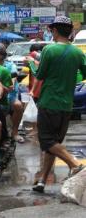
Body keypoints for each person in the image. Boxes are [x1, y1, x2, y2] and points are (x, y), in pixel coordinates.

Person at [32, 16, 86, 193]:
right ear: (70, 31)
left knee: (47, 142)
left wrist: (32, 65)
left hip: (49, 102)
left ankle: (74, 164)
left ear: (54, 31)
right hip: (66, 105)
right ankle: (42, 182)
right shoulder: (78, 53)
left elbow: (40, 74)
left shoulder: (49, 50)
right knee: (54, 144)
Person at [0, 43, 25, 144]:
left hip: (8, 96)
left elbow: (12, 83)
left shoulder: (10, 66)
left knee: (18, 105)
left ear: (3, 55)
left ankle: (14, 132)